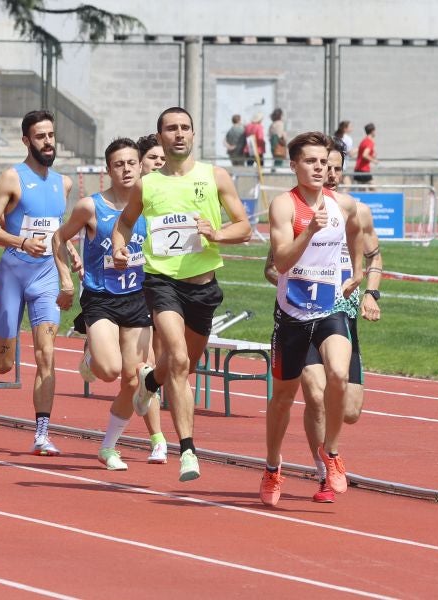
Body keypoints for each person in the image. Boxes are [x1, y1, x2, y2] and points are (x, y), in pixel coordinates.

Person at [113, 107, 252, 481]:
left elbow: (245, 227)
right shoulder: (148, 184)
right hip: (161, 282)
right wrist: (118, 247)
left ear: (193, 134)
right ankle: (188, 450)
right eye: (171, 129)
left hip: (203, 287)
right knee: (175, 355)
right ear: (159, 137)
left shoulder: (215, 176)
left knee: (182, 366)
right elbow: (124, 224)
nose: (178, 134)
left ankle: (150, 383)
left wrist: (218, 234)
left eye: (185, 128)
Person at [262, 138, 382, 503]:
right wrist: (310, 231)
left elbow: (356, 233)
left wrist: (359, 275)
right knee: (283, 398)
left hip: (331, 309)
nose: (319, 168)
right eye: (310, 161)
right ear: (295, 165)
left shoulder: (344, 204)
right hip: (293, 314)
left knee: (337, 375)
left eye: (323, 161)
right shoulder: (284, 206)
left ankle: (331, 455)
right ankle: (271, 467)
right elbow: (280, 263)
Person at [54, 138, 164, 471]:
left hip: (137, 299)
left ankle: (108, 447)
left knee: (134, 380)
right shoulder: (91, 207)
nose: (127, 169)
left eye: (132, 163)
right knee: (110, 370)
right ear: (108, 170)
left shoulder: (152, 206)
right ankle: (91, 356)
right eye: (119, 164)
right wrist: (66, 277)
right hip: (101, 298)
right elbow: (59, 238)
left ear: (140, 166)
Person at [0, 110, 73, 456]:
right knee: (2, 364)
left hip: (46, 276)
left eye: (51, 135)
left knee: (45, 353)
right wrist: (21, 242)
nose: (48, 142)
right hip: (13, 274)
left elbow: (57, 231)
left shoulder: (63, 183)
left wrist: (70, 254)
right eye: (40, 137)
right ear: (26, 141)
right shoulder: (12, 178)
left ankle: (42, 432)